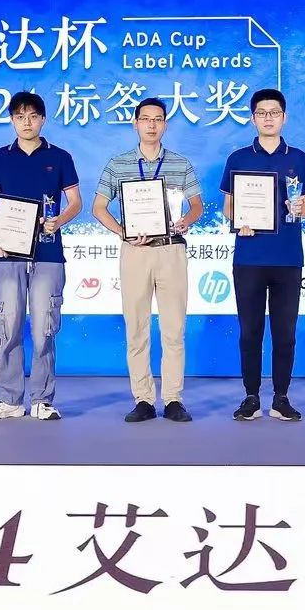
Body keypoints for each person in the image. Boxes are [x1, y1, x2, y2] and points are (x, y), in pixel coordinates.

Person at [92, 97, 204, 423]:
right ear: (135, 123)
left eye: (157, 119)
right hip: (135, 252)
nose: (151, 125)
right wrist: (122, 231)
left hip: (171, 250)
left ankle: (173, 399)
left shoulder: (180, 164)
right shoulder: (118, 164)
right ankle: (143, 399)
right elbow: (98, 207)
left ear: (165, 124)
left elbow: (197, 205)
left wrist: (186, 220)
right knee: (136, 329)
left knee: (173, 329)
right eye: (145, 119)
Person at [0, 92, 82, 421]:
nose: (27, 122)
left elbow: (76, 203)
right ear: (11, 120)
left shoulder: (60, 157)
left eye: (33, 116)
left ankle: (42, 399)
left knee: (44, 328)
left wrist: (58, 221)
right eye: (20, 116)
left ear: (43, 119)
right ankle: (9, 399)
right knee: (8, 327)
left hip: (48, 252)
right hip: (7, 255)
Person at [220, 88, 305, 422]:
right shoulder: (238, 158)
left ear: (284, 117)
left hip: (288, 258)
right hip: (249, 258)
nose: (268, 118)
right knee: (250, 332)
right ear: (253, 118)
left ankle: (281, 398)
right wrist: (239, 221)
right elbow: (229, 206)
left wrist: (298, 207)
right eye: (261, 113)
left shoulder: (299, 158)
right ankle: (251, 397)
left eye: (274, 112)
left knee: (285, 333)